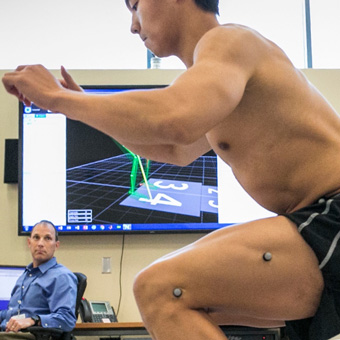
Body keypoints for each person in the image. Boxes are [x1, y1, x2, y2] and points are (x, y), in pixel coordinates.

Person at [2, 0, 340, 339]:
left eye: (135, 6)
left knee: (158, 288)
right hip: (316, 218)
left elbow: (173, 119)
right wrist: (78, 110)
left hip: (330, 213)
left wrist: (59, 98)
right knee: (186, 300)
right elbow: (173, 150)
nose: (133, 26)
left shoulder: (229, 41)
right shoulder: (216, 76)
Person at [0, 220, 77, 339]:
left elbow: (67, 319)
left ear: (56, 245)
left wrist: (33, 320)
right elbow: (13, 314)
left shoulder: (62, 276)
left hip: (30, 335)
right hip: (8, 332)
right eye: (36, 237)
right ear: (29, 243)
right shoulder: (25, 276)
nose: (40, 243)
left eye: (47, 238)